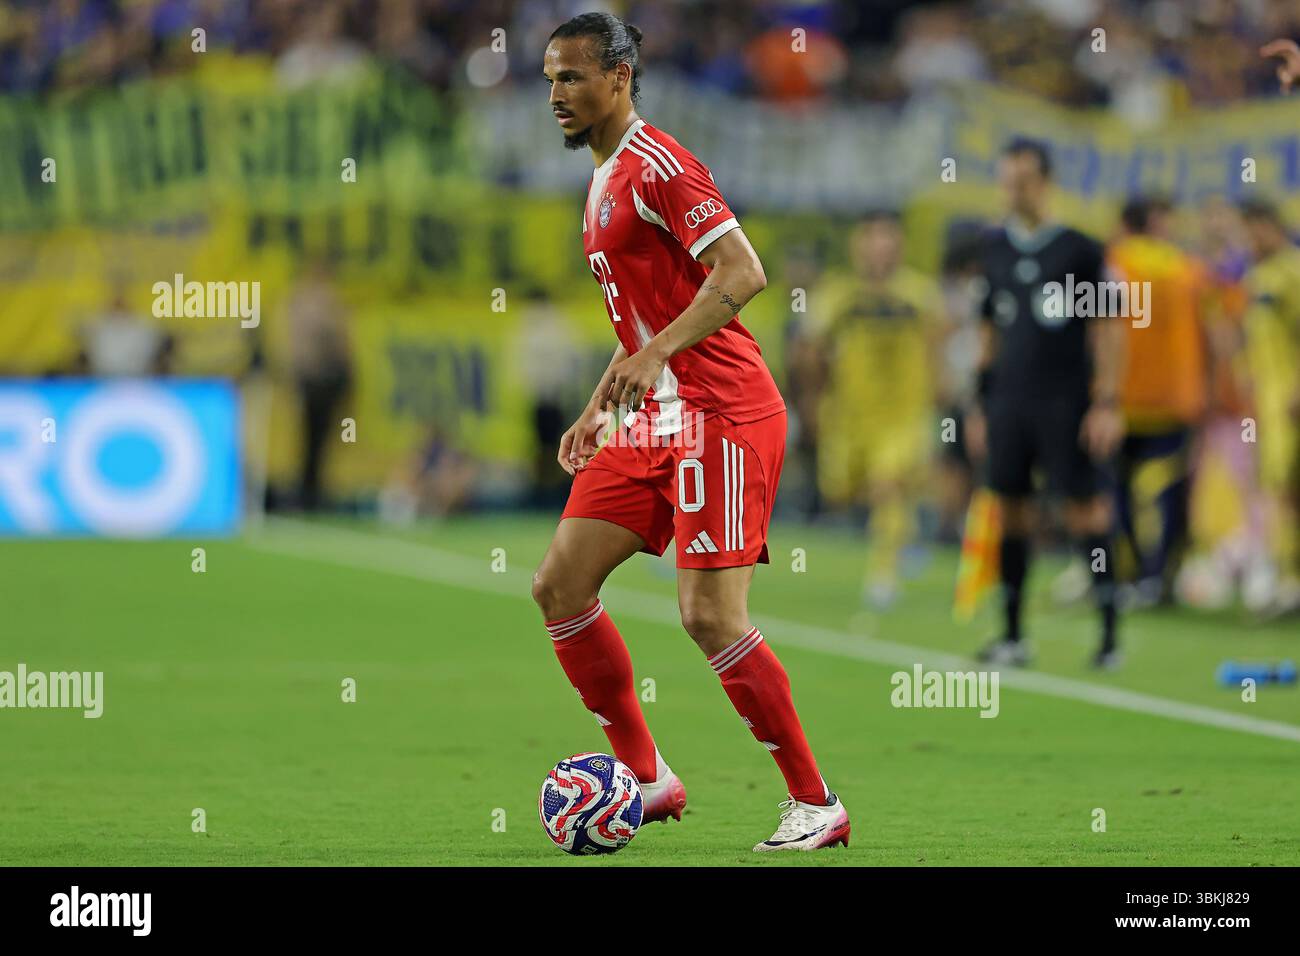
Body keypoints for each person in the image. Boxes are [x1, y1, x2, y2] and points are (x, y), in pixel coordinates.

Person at [531, 12, 849, 852]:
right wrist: (602, 399)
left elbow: (743, 271)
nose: (557, 95)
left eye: (572, 77)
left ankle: (815, 801)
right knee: (559, 586)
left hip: (722, 413)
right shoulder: (601, 178)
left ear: (620, 78)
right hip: (653, 416)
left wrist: (659, 354)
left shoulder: (659, 165)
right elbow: (643, 317)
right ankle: (645, 776)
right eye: (549, 79)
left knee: (709, 615)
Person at [966, 138, 1125, 669]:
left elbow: (1108, 327)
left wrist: (1107, 403)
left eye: (1024, 181)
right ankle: (1013, 635)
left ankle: (1108, 636)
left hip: (1067, 400)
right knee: (1010, 509)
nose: (1014, 192)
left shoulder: (1080, 248)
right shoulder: (995, 249)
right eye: (1007, 182)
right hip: (1011, 401)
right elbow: (988, 329)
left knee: (1085, 508)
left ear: (1046, 181)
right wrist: (980, 404)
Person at [810, 211, 942, 606]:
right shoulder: (837, 297)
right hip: (850, 418)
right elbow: (813, 351)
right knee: (841, 491)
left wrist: (940, 397)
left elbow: (937, 347)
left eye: (888, 241)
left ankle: (883, 573)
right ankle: (909, 531)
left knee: (888, 483)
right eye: (872, 240)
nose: (880, 250)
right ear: (858, 246)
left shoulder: (919, 296)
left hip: (902, 416)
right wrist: (815, 402)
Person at [1108, 197, 1209, 606]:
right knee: (1166, 494)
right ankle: (1160, 577)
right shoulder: (1190, 271)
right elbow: (1214, 334)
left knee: (1117, 491)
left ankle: (1125, 576)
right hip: (1176, 401)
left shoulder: (1110, 264)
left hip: (1120, 401)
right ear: (1155, 222)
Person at [1238, 199, 1300, 615]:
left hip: (1292, 401)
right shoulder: (1256, 277)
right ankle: (1288, 577)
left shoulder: (1294, 271)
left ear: (1270, 227)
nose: (1250, 239)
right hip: (1269, 404)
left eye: (1254, 229)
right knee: (1282, 491)